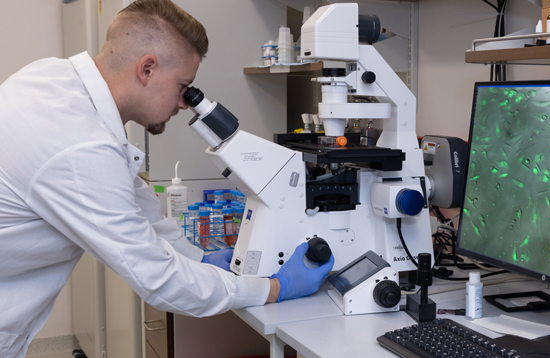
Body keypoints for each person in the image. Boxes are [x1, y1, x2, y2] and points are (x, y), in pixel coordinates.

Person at [0, 1, 334, 357]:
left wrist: (199, 259)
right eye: (182, 87)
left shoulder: (56, 81)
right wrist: (272, 289)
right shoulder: (81, 146)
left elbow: (132, 199)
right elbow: (158, 278)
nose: (183, 104)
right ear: (147, 69)